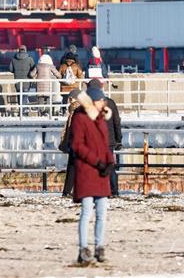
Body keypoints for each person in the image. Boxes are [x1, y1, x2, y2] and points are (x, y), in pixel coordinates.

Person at [70, 86, 115, 264]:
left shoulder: (100, 119)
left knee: (102, 212)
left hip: (100, 171)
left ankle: (99, 247)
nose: (103, 103)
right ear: (93, 101)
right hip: (87, 171)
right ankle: (83, 248)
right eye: (101, 100)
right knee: (87, 211)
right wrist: (96, 161)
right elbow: (77, 145)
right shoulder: (80, 119)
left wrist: (109, 161)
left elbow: (104, 144)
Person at [87, 79, 122, 197]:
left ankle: (97, 188)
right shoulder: (110, 103)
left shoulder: (90, 104)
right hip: (109, 139)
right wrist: (118, 139)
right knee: (110, 165)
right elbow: (116, 121)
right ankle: (114, 190)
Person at [59, 90, 82, 197]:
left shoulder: (76, 110)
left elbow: (69, 128)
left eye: (71, 98)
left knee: (73, 167)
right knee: (74, 167)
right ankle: (69, 190)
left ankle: (68, 190)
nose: (69, 101)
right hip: (75, 142)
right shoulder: (74, 110)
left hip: (74, 142)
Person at [9, 46, 36, 113]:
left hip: (17, 82)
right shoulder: (30, 59)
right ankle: (22, 112)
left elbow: (10, 69)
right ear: (25, 50)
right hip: (27, 82)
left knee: (19, 96)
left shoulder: (13, 59)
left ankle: (21, 110)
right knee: (24, 96)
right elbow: (34, 69)